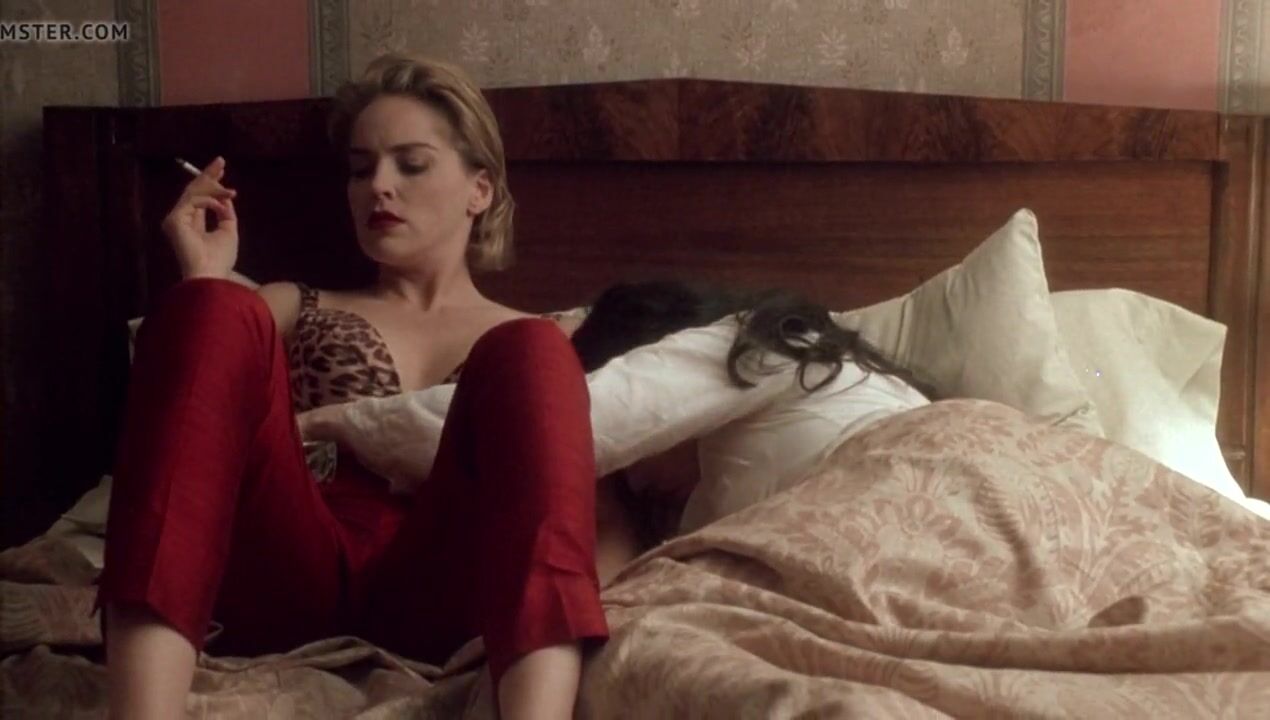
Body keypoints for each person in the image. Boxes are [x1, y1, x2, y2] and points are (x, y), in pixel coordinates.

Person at [96, 54, 619, 720]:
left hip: (444, 583)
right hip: (289, 565)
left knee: (534, 348)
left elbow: (573, 511)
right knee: (215, 308)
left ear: (479, 189)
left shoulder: (538, 337)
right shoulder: (296, 303)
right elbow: (197, 401)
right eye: (360, 168)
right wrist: (204, 276)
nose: (380, 187)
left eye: (412, 164)